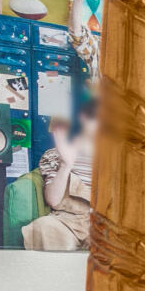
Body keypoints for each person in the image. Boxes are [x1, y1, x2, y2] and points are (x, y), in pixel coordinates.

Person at [21, 99, 97, 251]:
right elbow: (54, 201)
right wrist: (65, 165)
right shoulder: (55, 155)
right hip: (68, 222)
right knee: (43, 227)